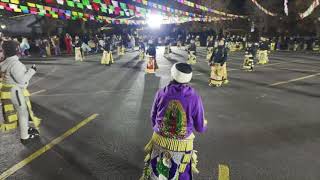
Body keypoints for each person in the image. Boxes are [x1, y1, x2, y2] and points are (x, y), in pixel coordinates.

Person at [140, 63, 207, 180]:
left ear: (172, 75)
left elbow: (153, 116)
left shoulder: (162, 92)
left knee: (157, 168)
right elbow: (200, 127)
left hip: (159, 138)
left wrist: (158, 129)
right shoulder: (194, 97)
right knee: (180, 170)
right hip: (182, 143)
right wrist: (204, 125)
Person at [0, 40, 41, 144]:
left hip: (8, 91)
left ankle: (25, 130)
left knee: (20, 113)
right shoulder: (15, 64)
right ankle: (25, 136)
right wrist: (32, 71)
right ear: (16, 50)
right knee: (22, 113)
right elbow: (23, 81)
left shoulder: (4, 62)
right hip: (15, 91)